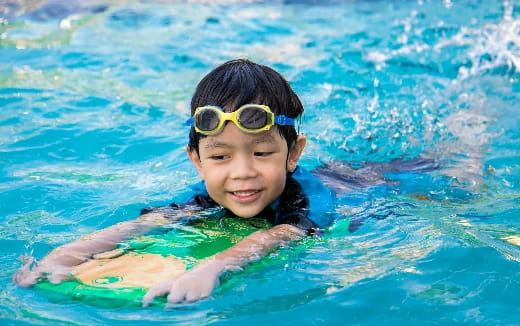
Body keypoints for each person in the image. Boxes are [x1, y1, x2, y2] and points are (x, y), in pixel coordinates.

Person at [13, 59, 338, 306]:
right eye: (220, 157)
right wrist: (64, 255)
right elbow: (143, 224)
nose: (242, 172)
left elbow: (279, 236)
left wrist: (211, 268)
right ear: (197, 161)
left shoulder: (308, 198)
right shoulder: (206, 196)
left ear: (293, 153)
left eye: (263, 152)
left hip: (361, 181)